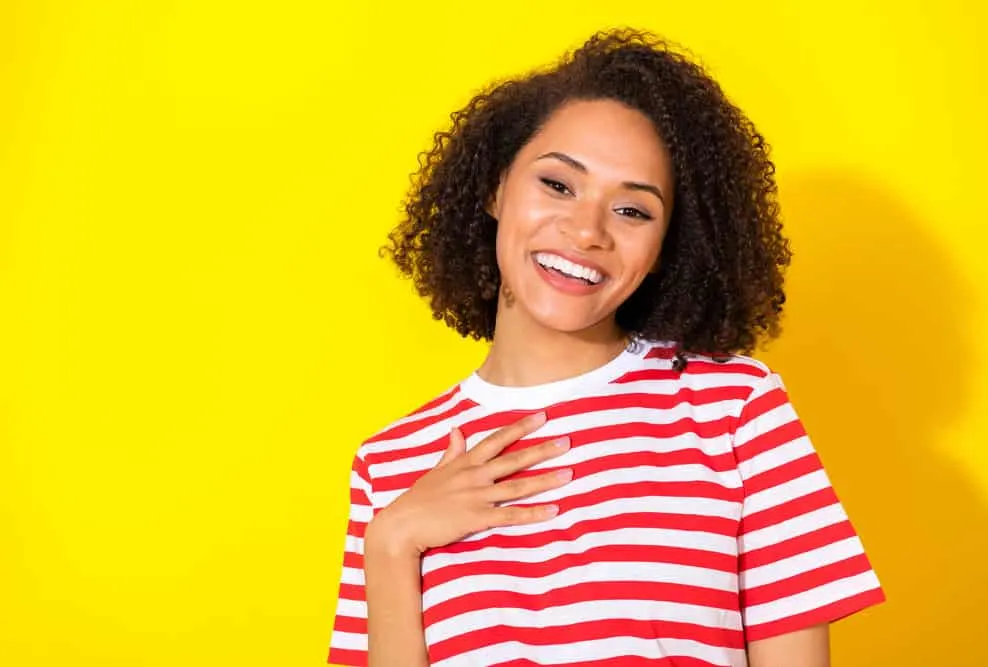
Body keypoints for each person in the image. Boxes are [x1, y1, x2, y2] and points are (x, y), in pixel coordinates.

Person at [327, 28, 884, 667]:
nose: (587, 231)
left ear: (666, 248)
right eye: (559, 185)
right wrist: (393, 542)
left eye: (633, 211)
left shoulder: (734, 410)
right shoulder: (391, 462)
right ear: (494, 189)